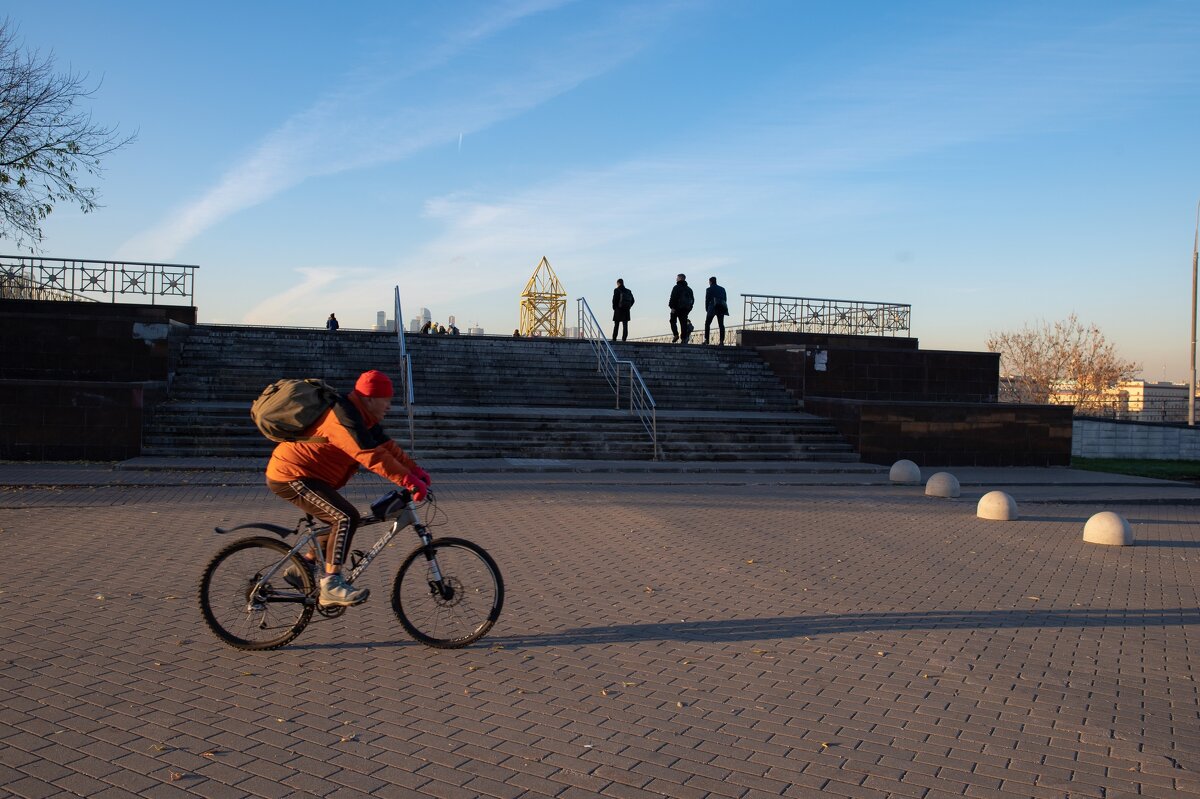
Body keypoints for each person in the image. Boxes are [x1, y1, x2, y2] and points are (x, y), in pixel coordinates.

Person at [265, 370, 430, 607]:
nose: (390, 407)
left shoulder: (363, 418)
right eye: (387, 400)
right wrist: (409, 482)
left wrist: (415, 471)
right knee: (345, 517)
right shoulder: (343, 418)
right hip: (291, 475)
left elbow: (387, 448)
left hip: (312, 476)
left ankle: (304, 565)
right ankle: (331, 584)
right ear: (371, 398)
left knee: (335, 520)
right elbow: (370, 455)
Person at [668, 273, 694, 344]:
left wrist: (672, 307)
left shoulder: (676, 287)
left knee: (672, 321)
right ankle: (683, 338)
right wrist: (689, 309)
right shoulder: (689, 289)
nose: (676, 279)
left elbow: (673, 297)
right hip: (685, 309)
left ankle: (676, 335)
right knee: (683, 324)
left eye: (677, 278)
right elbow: (692, 300)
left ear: (680, 278)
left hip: (676, 308)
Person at [704, 276, 729, 345]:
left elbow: (707, 299)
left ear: (710, 282)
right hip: (721, 307)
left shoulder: (709, 289)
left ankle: (707, 340)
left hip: (712, 307)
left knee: (707, 323)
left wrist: (707, 308)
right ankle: (721, 341)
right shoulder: (722, 289)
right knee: (721, 324)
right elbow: (725, 299)